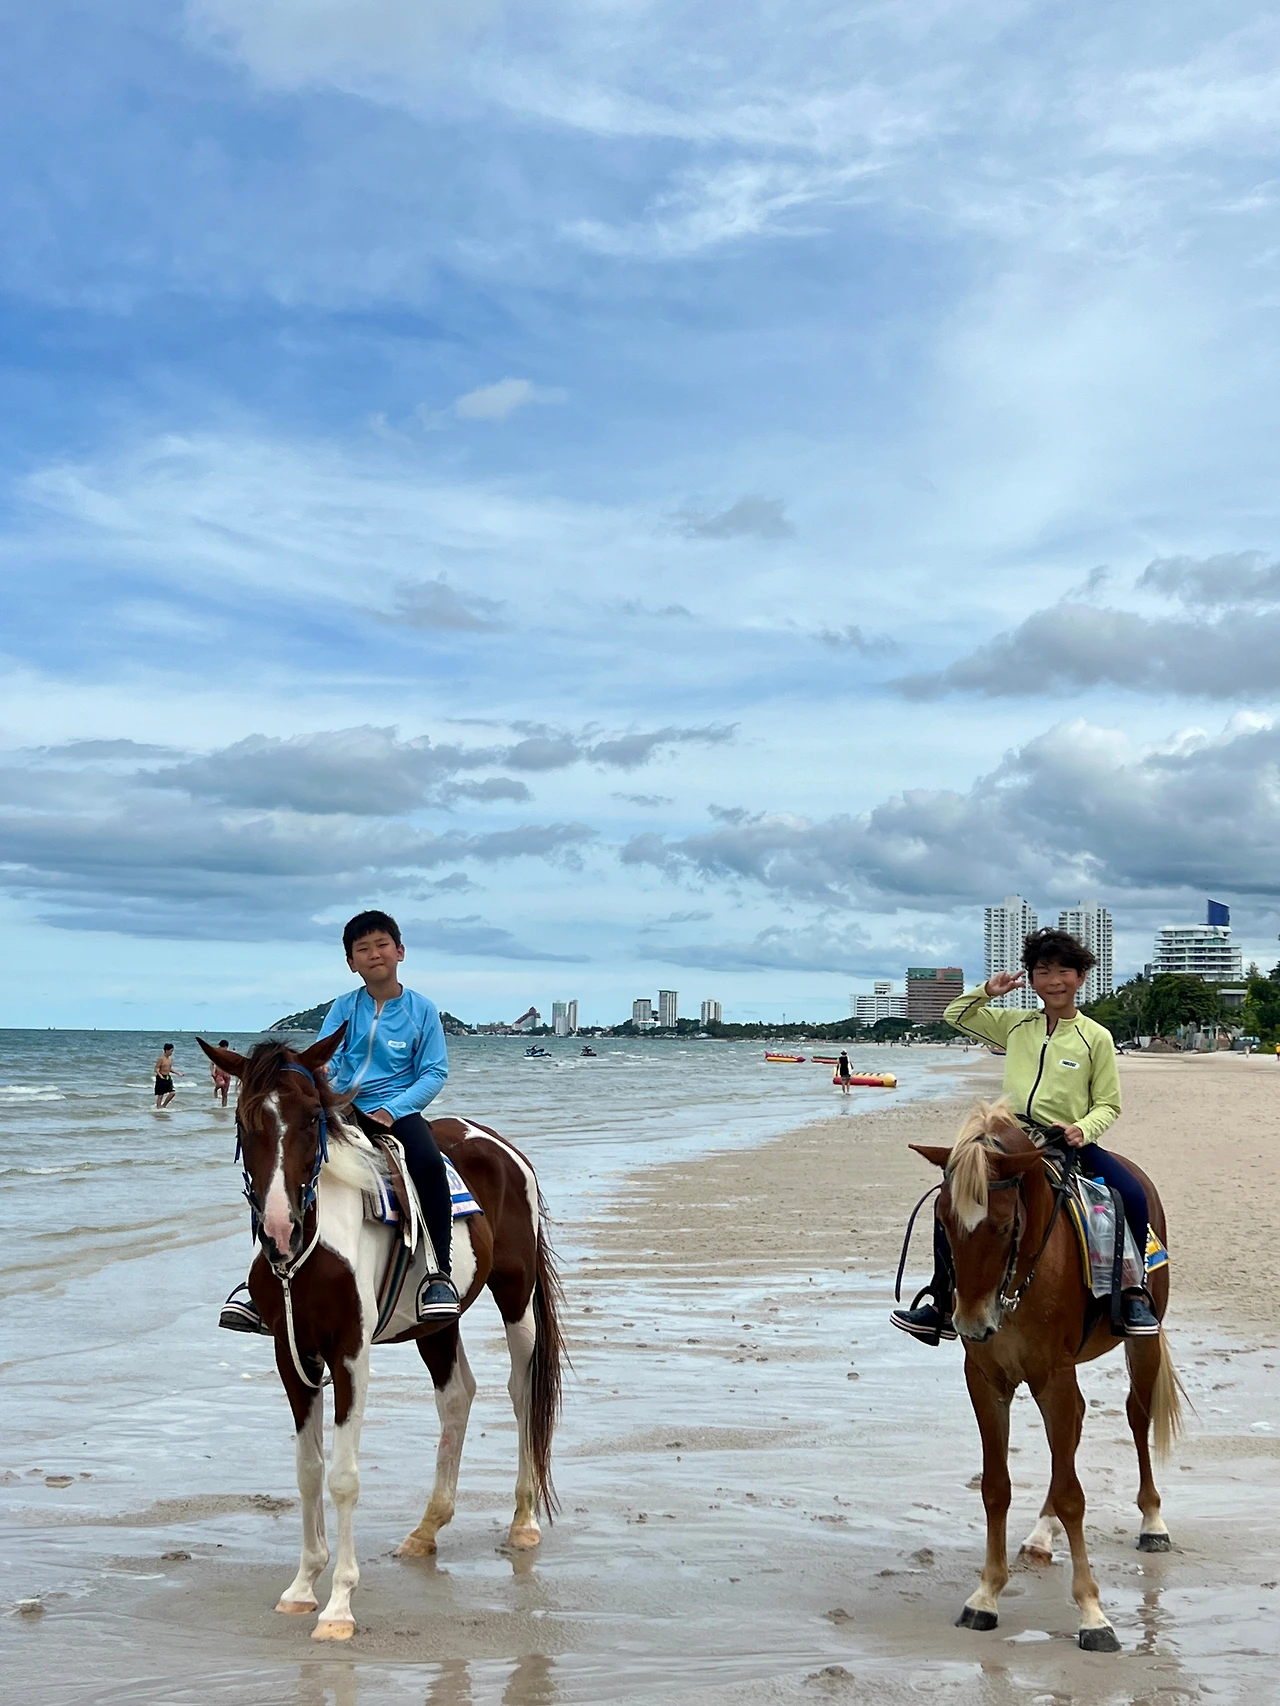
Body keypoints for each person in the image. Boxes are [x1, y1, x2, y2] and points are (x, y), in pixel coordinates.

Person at [890, 927, 1159, 1347]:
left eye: (1064, 970)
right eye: (1043, 971)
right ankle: (942, 1300)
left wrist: (1082, 1129)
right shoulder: (1014, 1026)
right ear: (1031, 980)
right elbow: (954, 1016)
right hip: (1009, 1137)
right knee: (953, 1199)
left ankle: (1132, 1291)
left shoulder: (1096, 1038)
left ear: (1081, 977)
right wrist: (987, 991)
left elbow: (1108, 1104)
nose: (1054, 980)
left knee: (1131, 1193)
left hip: (1064, 1141)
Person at [219, 910, 460, 1334]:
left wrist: (394, 1110)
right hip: (342, 1109)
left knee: (427, 1163)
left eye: (381, 945)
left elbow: (434, 1072)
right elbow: (326, 1057)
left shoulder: (422, 1010)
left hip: (396, 1112)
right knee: (281, 1165)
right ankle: (259, 1282)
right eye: (362, 949)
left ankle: (438, 1273)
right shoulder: (343, 1007)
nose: (373, 955)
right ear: (351, 962)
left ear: (400, 951)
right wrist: (325, 1081)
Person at [153, 1043, 181, 1109]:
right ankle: (158, 1108)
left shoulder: (170, 1059)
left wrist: (178, 1073)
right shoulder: (161, 1059)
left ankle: (164, 1105)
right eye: (171, 1051)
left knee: (173, 1093)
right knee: (160, 1095)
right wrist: (160, 1075)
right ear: (166, 1050)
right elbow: (156, 1069)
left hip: (168, 1077)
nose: (172, 1052)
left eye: (172, 1051)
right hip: (161, 1077)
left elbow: (169, 1069)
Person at [210, 1042, 232, 1107]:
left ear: (226, 1047)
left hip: (227, 1075)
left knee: (225, 1094)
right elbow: (212, 1064)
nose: (222, 1049)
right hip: (219, 1073)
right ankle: (215, 1090)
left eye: (223, 1047)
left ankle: (224, 1107)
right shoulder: (216, 1054)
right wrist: (212, 1072)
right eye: (220, 1047)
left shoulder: (229, 1054)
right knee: (221, 1083)